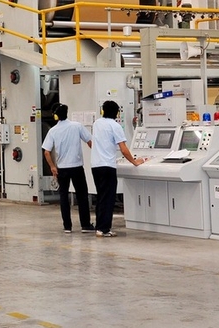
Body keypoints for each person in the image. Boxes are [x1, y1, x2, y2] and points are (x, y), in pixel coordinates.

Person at [90, 100, 143, 238]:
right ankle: (104, 229)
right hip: (108, 165)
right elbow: (124, 149)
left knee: (101, 197)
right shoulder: (115, 126)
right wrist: (134, 162)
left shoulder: (96, 124)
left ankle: (99, 227)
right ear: (117, 113)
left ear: (103, 111)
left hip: (95, 165)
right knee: (108, 198)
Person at [42, 103, 94, 234]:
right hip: (77, 167)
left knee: (63, 196)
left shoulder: (53, 131)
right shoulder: (77, 126)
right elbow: (90, 142)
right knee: (82, 195)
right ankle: (85, 225)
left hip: (62, 169)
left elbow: (46, 152)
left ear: (55, 116)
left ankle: (67, 226)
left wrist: (53, 167)